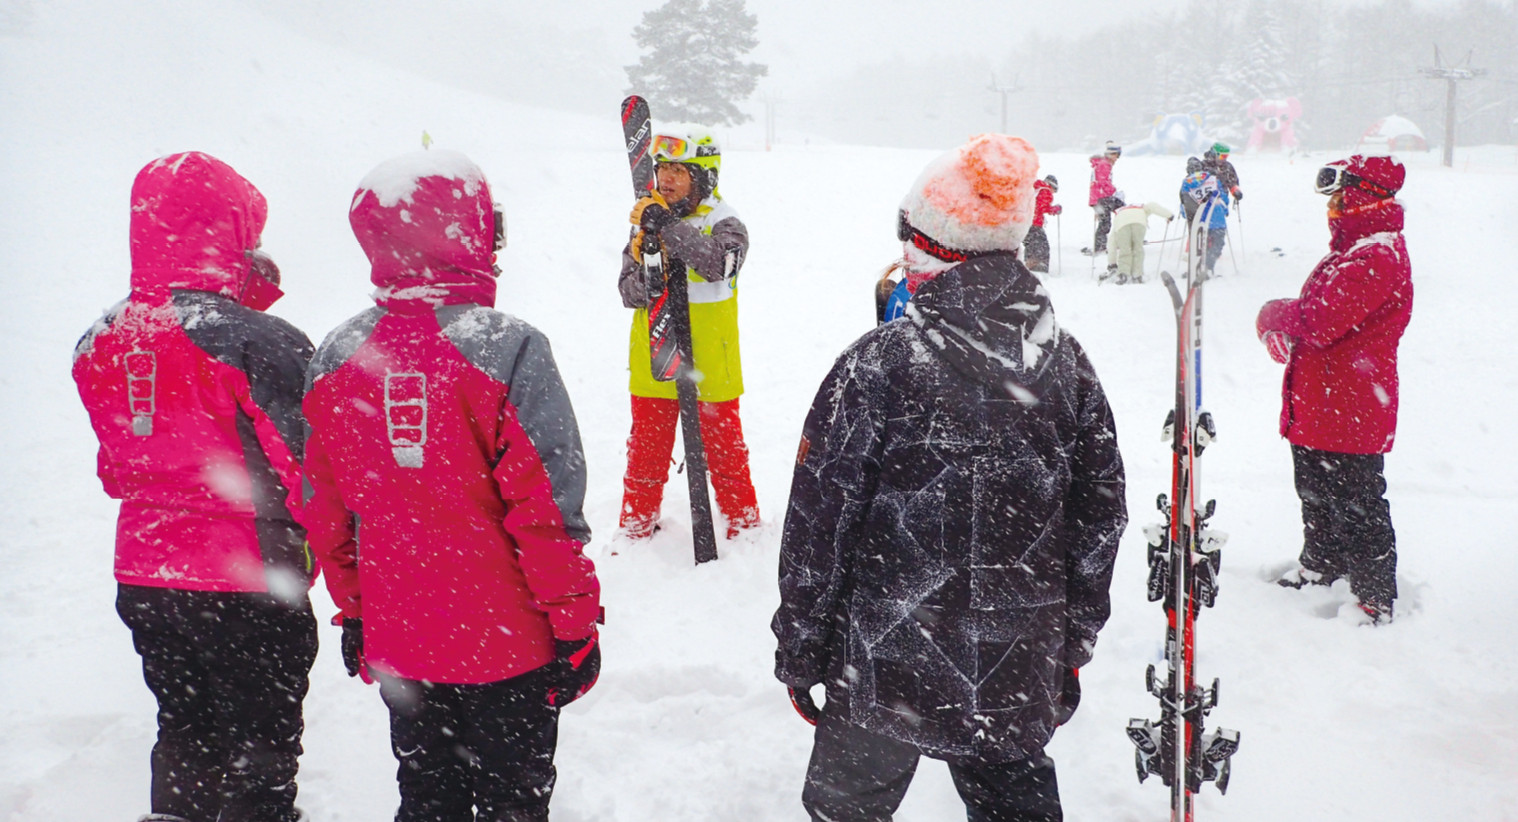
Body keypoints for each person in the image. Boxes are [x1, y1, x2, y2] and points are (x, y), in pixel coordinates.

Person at [772, 134, 1128, 821]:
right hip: (1014, 657)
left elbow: (820, 523)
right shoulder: (1067, 366)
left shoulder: (879, 363)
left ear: (925, 244)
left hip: (883, 658)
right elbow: (1098, 518)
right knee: (1014, 803)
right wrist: (1070, 640)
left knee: (846, 808)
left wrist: (803, 646)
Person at [303, 149, 602, 821]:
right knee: (510, 802)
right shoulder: (508, 348)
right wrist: (575, 626)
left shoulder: (336, 355)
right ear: (471, 232)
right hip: (509, 643)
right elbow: (546, 513)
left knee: (428, 795)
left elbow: (327, 509)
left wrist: (356, 610)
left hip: (404, 643)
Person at [72, 152, 317, 822]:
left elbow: (117, 467)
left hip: (147, 573)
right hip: (246, 576)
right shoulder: (253, 341)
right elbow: (308, 470)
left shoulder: (99, 340)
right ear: (232, 230)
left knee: (185, 726)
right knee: (260, 751)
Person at [1256, 154, 1411, 625]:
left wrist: (1272, 314)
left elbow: (1320, 319)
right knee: (1318, 493)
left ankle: (1373, 596)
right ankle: (1322, 564)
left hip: (1352, 409)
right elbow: (1316, 316)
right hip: (1324, 405)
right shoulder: (1353, 250)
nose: (1335, 207)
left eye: (1342, 197)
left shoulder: (1376, 255)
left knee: (1357, 503)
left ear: (1363, 196)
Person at [618, 123, 760, 540]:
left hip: (711, 364)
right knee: (646, 455)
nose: (668, 179)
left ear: (704, 176)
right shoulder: (644, 222)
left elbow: (717, 263)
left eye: (681, 170)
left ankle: (745, 530)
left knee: (726, 456)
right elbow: (628, 292)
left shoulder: (726, 222)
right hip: (656, 356)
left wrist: (667, 227)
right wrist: (650, 260)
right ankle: (635, 531)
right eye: (663, 169)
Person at [1105, 197, 1174, 284]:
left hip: (1121, 226)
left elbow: (1112, 243)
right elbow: (1153, 206)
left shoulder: (1119, 213)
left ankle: (1123, 274)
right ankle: (1137, 275)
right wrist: (1169, 215)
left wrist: (1112, 263)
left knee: (1125, 250)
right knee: (1138, 249)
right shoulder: (1140, 207)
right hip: (1139, 223)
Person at [1179, 165, 1231, 275]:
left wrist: (1186, 215)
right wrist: (1225, 210)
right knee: (1217, 245)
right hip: (1217, 219)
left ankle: (1196, 269)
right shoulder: (1214, 180)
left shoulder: (1186, 184)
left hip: (1199, 219)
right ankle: (1207, 266)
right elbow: (1224, 198)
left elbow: (1184, 203)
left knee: (1199, 247)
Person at [1084, 141, 1122, 256]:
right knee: (1106, 222)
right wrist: (1114, 191)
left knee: (1104, 221)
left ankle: (1103, 244)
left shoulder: (1102, 164)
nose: (1117, 158)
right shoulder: (1104, 164)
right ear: (1111, 154)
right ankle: (1101, 246)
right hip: (1101, 198)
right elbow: (1103, 182)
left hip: (1097, 199)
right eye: (1117, 155)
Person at [1023, 174, 1063, 273]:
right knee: (1041, 246)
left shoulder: (1035, 189)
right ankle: (1038, 267)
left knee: (1030, 245)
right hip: (1034, 223)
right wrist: (1054, 209)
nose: (1053, 193)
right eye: (1055, 190)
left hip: (1025, 222)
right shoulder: (1045, 190)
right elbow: (1042, 207)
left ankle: (1029, 264)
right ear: (1051, 185)